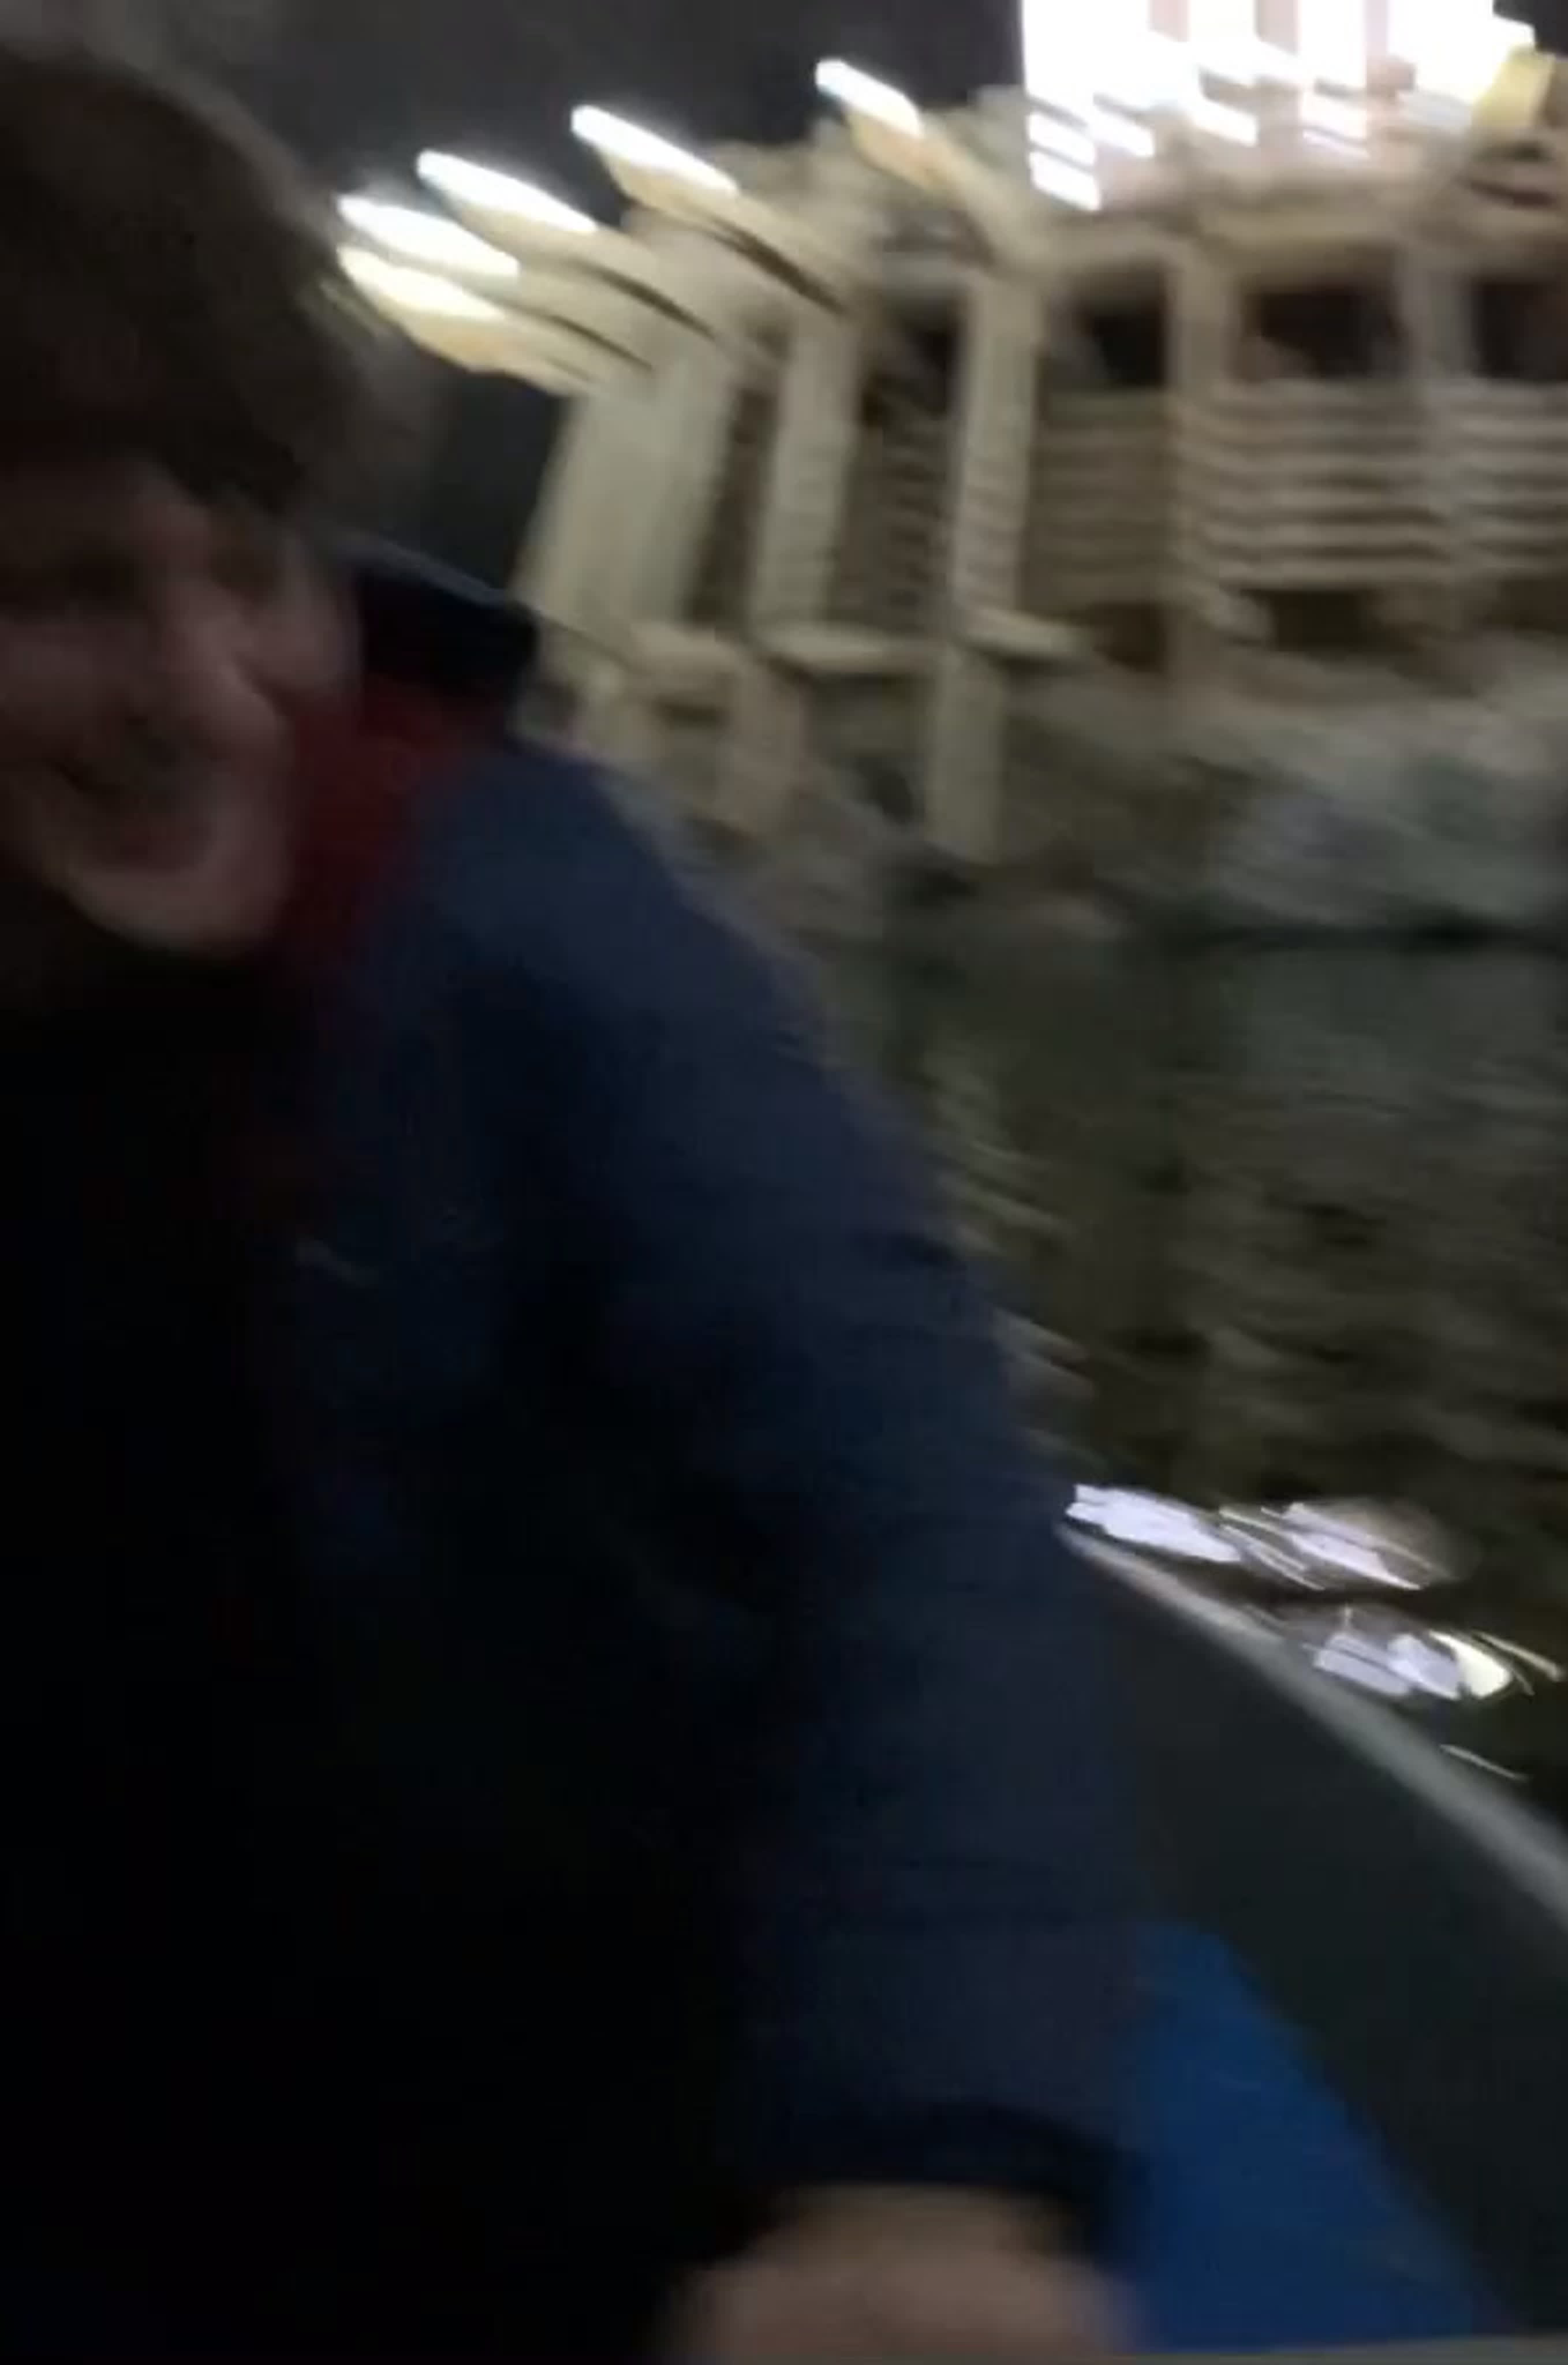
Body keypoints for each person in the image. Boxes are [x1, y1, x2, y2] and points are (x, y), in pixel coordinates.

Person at [0, 47, 1131, 2359]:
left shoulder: (519, 926)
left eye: (258, 568)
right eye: (66, 593)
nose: (216, 690)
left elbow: (899, 1493)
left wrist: (921, 2165)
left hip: (523, 2150)